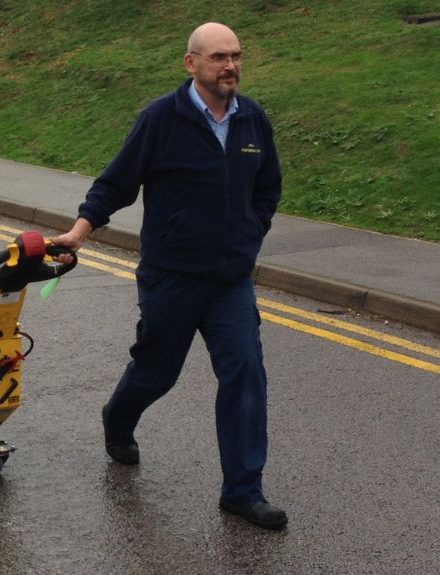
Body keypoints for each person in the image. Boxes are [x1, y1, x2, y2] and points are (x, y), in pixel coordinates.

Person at [51, 22, 287, 530]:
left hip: (229, 280)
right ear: (191, 64)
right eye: (220, 57)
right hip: (171, 277)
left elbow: (268, 187)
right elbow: (116, 182)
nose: (231, 66)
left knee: (245, 374)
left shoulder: (252, 120)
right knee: (158, 371)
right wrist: (79, 231)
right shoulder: (162, 118)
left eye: (236, 56)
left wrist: (250, 231)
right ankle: (119, 417)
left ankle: (243, 491)